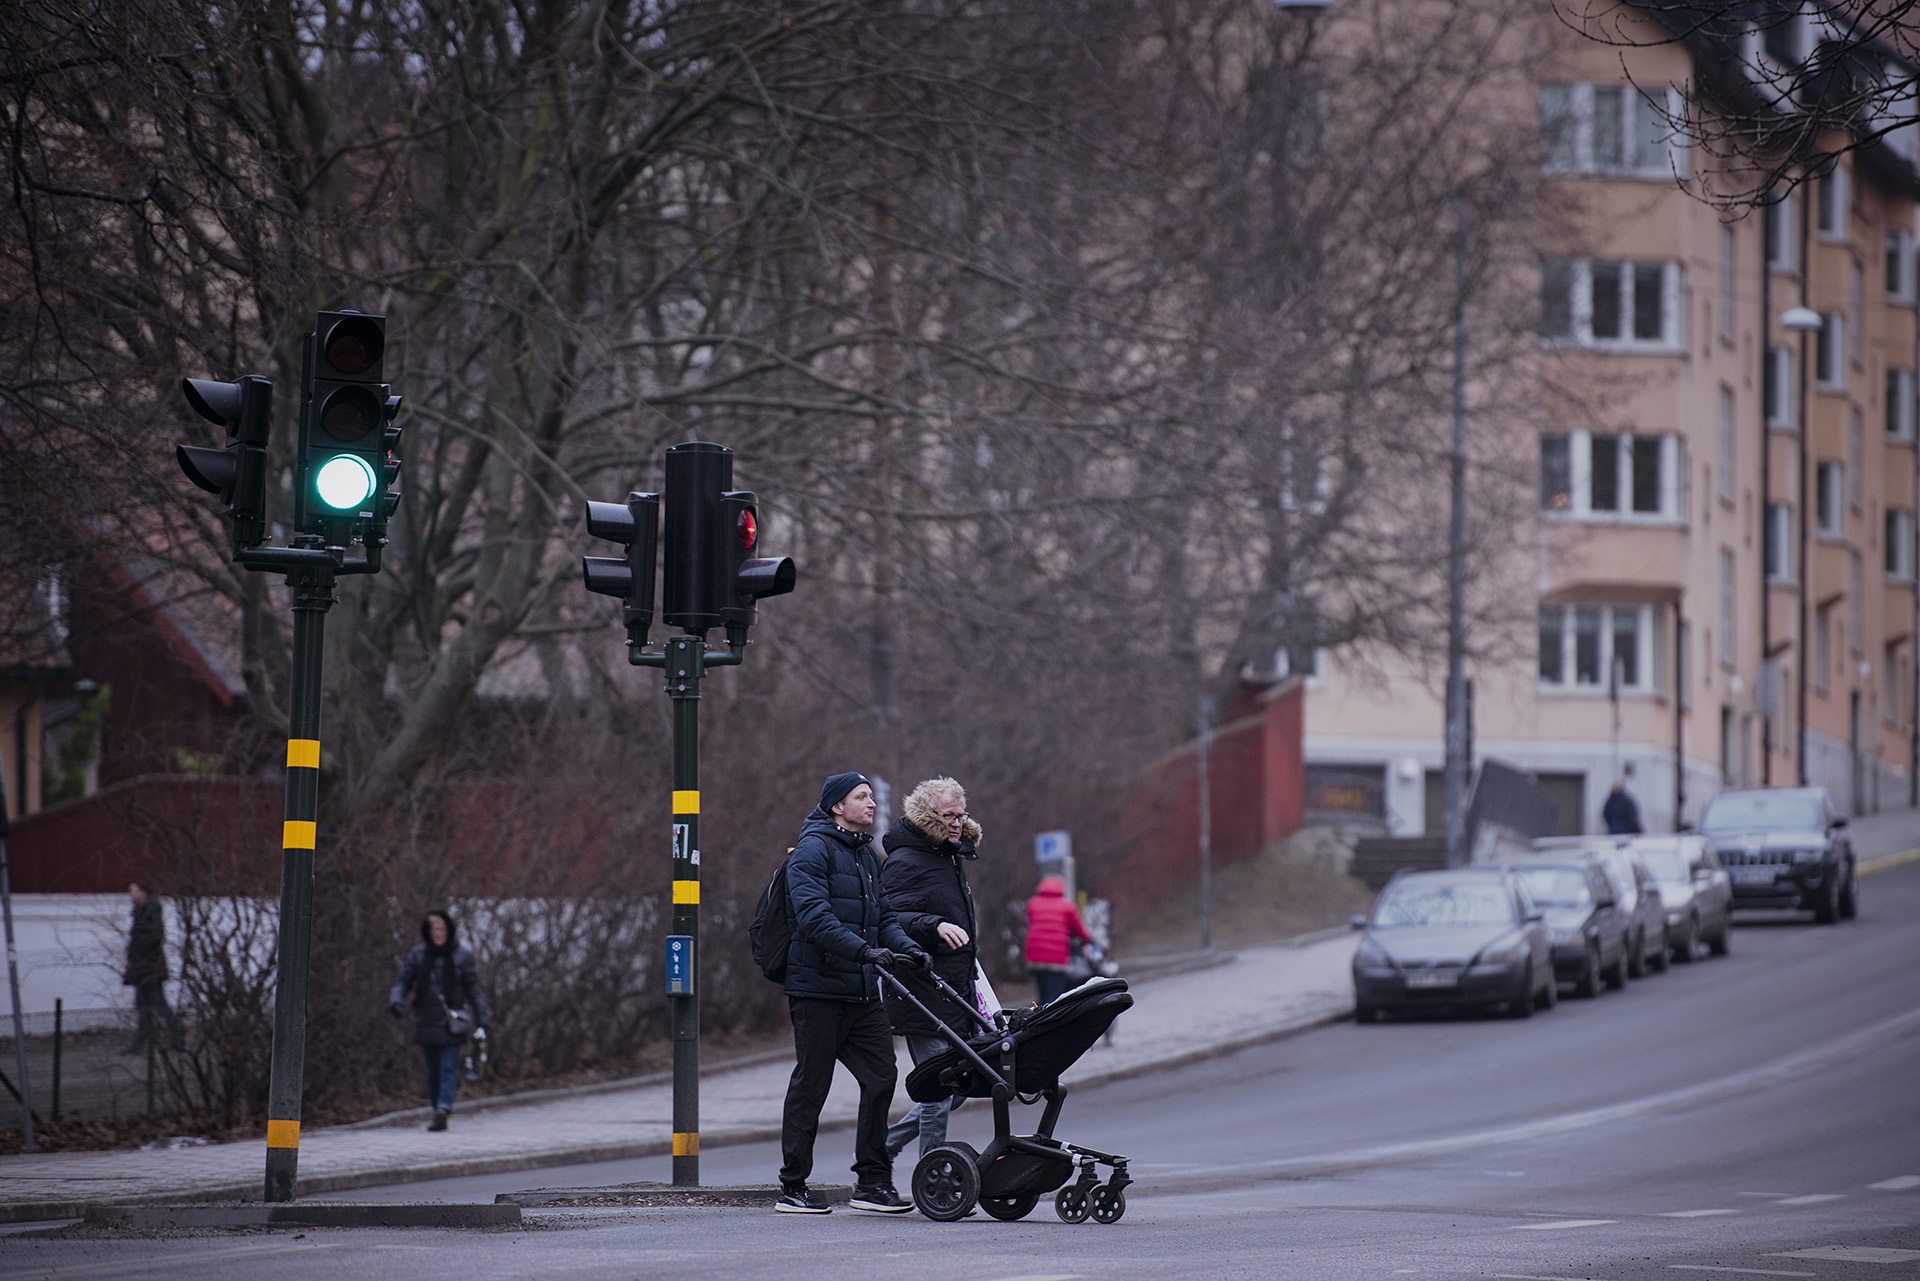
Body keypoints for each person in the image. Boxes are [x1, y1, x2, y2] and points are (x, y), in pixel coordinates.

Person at [776, 772, 928, 1215]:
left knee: (881, 1078)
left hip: (862, 994)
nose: (870, 804)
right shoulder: (811, 850)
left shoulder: (867, 856)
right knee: (812, 1086)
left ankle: (872, 1183)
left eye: (870, 796)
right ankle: (793, 1186)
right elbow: (814, 919)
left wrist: (909, 949)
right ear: (836, 806)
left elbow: (884, 919)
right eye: (860, 797)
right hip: (818, 991)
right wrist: (866, 952)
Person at [880, 777, 983, 1171]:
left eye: (961, 815)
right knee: (940, 1088)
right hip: (919, 988)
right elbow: (887, 919)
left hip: (955, 989)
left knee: (958, 1088)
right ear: (927, 816)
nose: (956, 823)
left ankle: (882, 1146)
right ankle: (934, 1175)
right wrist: (933, 924)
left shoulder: (949, 856)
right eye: (948, 816)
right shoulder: (906, 861)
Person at [389, 909, 488, 1132]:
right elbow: (403, 982)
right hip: (425, 1020)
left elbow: (474, 991)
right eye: (435, 930)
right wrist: (396, 1002)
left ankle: (443, 1107)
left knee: (448, 1068)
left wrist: (483, 1019)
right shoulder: (418, 955)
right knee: (432, 1071)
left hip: (452, 1023)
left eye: (443, 929)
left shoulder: (462, 956)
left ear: (449, 931)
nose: (439, 934)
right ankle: (438, 1110)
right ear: (428, 932)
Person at [122, 881, 184, 1055]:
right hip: (143, 968)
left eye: (133, 891)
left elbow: (154, 937)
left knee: (157, 1005)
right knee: (145, 1006)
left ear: (143, 892)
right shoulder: (142, 910)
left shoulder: (151, 909)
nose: (131, 895)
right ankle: (141, 1043)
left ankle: (175, 1039)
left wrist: (139, 956)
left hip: (149, 968)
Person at [1024, 874, 1092, 1007]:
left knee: (1042, 995)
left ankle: (1038, 1020)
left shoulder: (1033, 903)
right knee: (1054, 998)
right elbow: (1079, 930)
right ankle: (1052, 1023)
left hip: (1035, 957)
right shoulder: (1067, 906)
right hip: (1056, 958)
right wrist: (1087, 939)